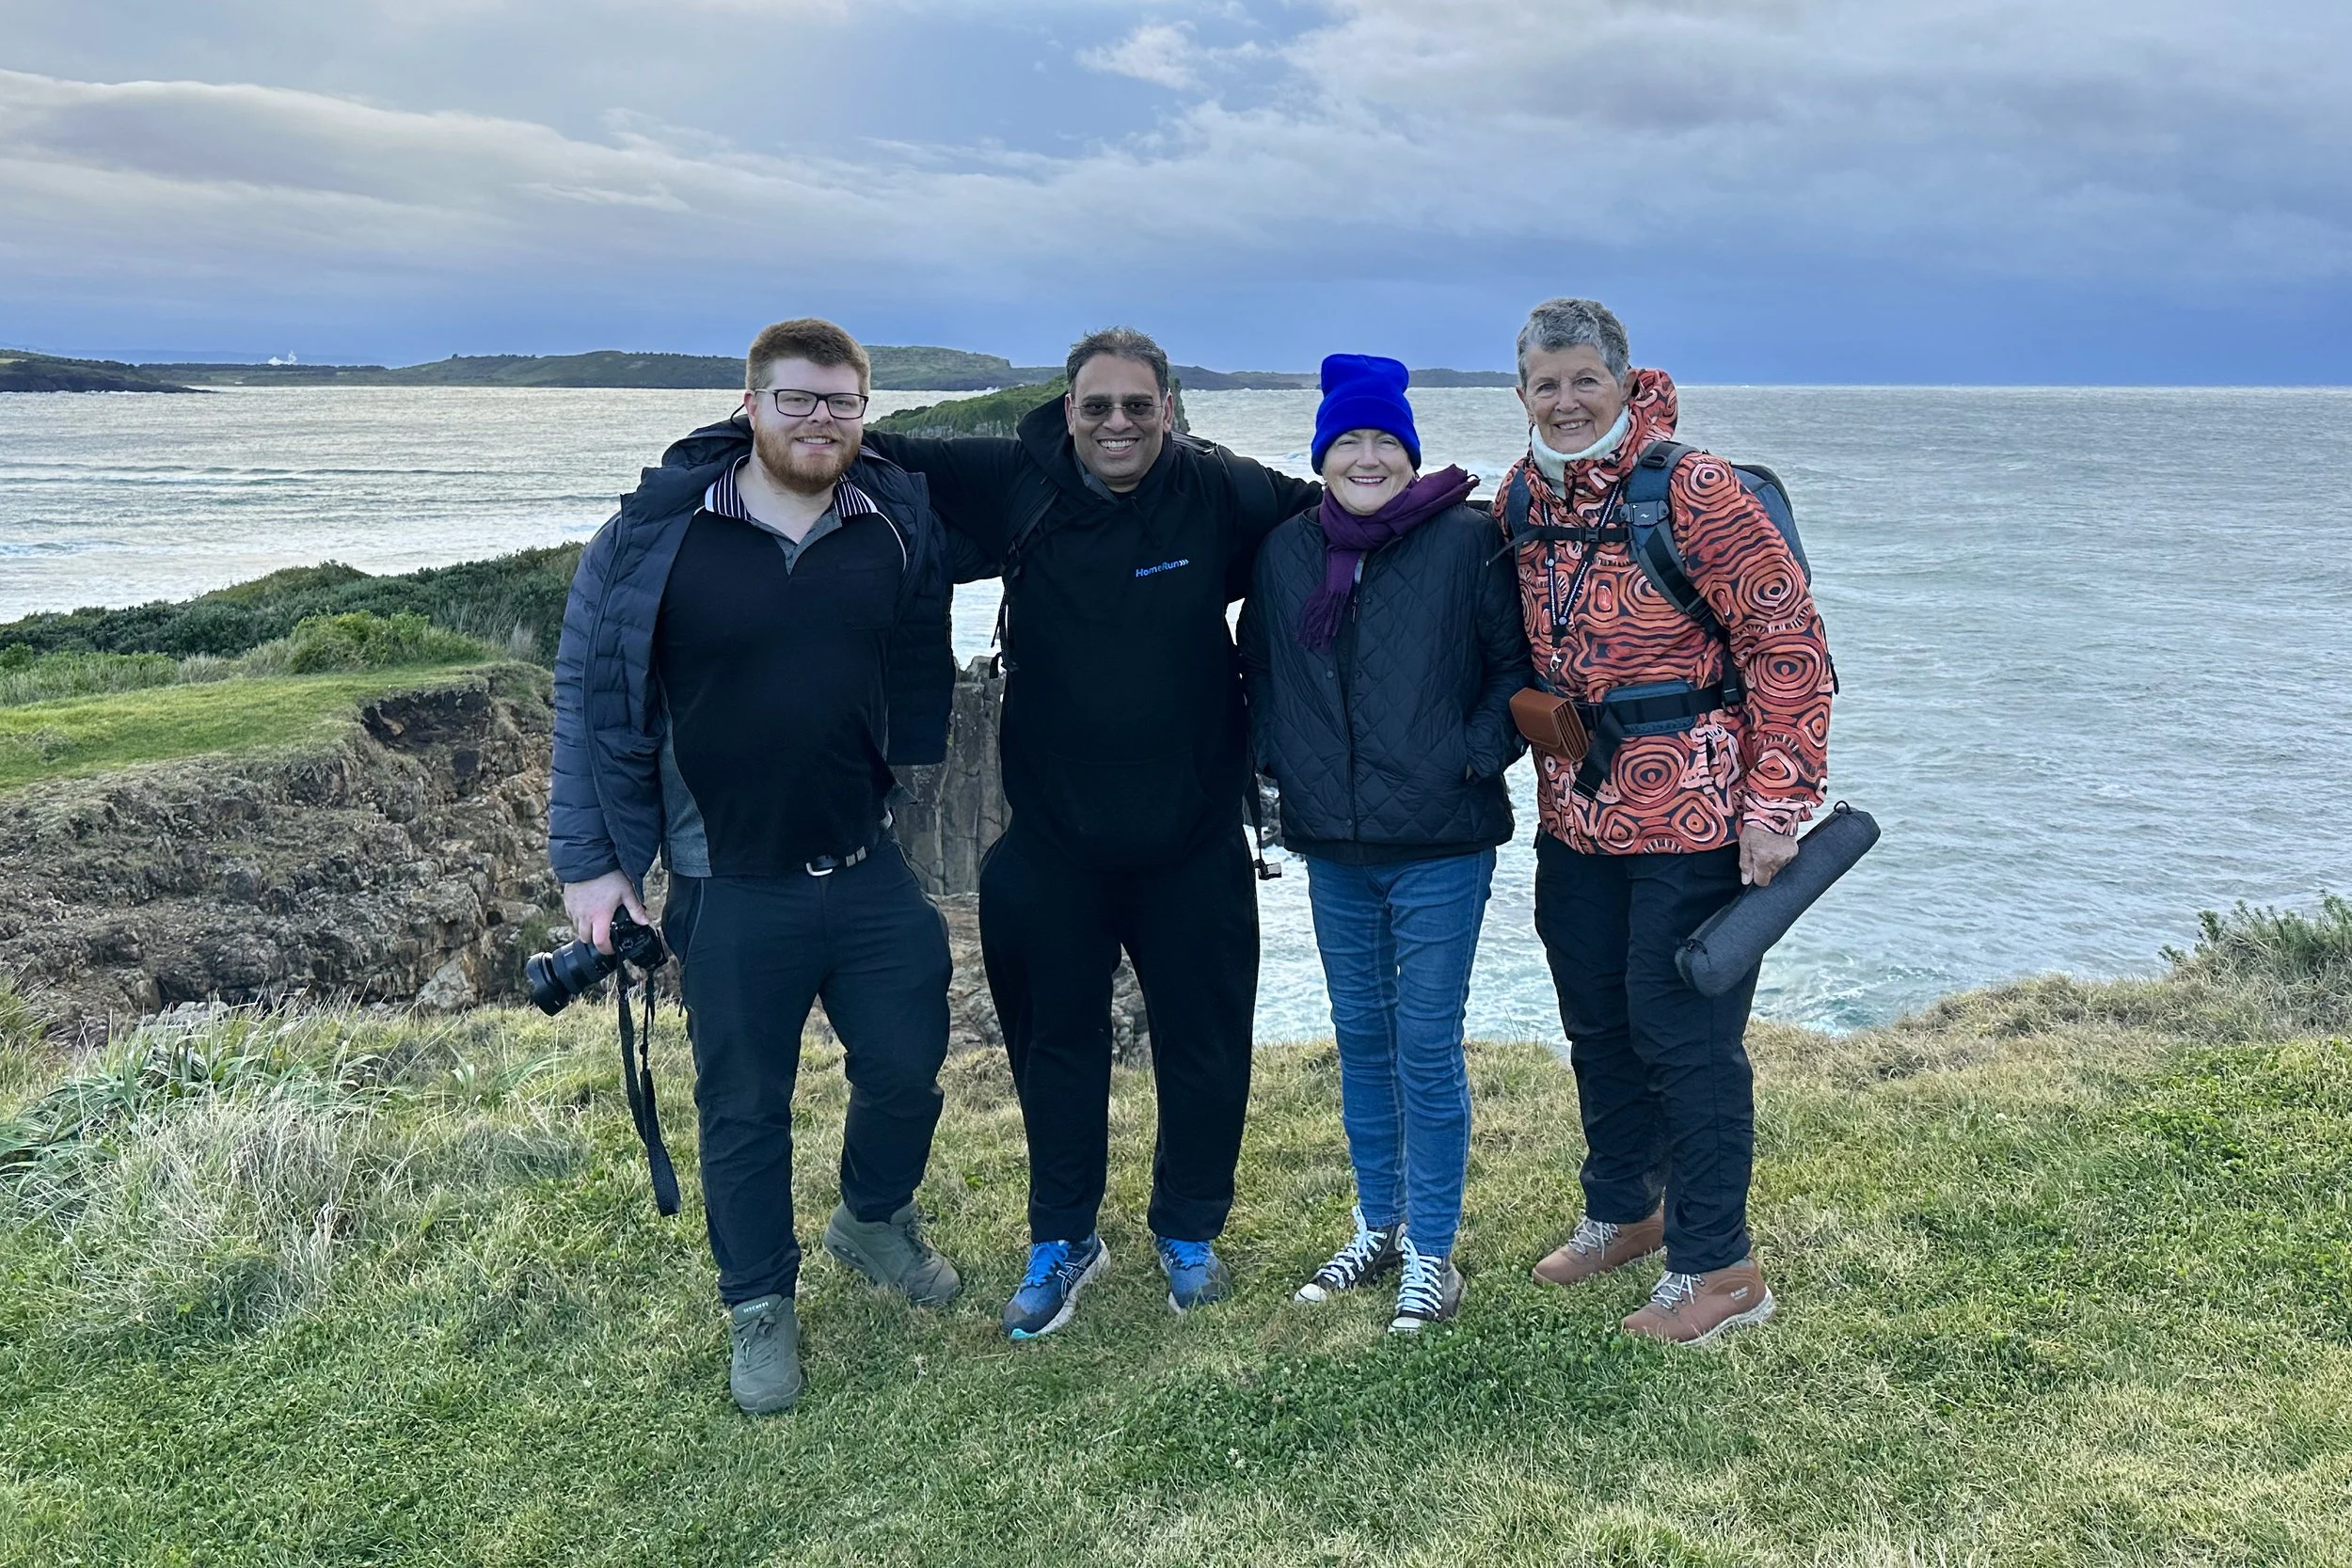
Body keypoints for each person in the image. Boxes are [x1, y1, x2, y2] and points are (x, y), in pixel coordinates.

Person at [859, 328, 1319, 1338]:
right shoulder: (1008, 478)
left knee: (1205, 1049)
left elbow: (1346, 511)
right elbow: (858, 446)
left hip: (1192, 838)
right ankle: (1062, 1235)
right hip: (1052, 840)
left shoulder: (1219, 491)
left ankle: (1188, 1230)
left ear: (1168, 409)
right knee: (1052, 1049)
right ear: (1066, 409)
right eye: (1097, 405)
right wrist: (740, 432)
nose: (1117, 423)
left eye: (1137, 406)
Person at [549, 318, 965, 1415]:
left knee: (908, 1060)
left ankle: (871, 1217)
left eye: (841, 402)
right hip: (725, 876)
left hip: (866, 863)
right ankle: (757, 1304)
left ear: (863, 412)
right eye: (797, 400)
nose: (820, 420)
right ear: (751, 406)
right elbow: (586, 703)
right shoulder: (652, 536)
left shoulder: (893, 519)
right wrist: (593, 867)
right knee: (742, 1105)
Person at [1503, 298, 1834, 1346]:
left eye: (1582, 381)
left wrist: (1777, 806)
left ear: (1622, 379)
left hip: (1698, 814)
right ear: (1522, 394)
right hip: (1576, 816)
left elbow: (1788, 648)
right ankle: (1626, 1207)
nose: (1564, 402)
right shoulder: (1521, 494)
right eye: (1544, 384)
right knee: (1596, 1023)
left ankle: (1718, 1264)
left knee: (1685, 1040)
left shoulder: (1695, 486)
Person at [1237, 355, 1529, 1333]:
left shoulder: (1466, 539)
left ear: (1410, 451)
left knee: (1424, 1040)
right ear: (1322, 454)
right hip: (1334, 838)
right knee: (1361, 1037)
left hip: (1442, 838)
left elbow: (1513, 670)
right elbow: (1262, 672)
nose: (1366, 456)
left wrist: (1469, 756)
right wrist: (1279, 761)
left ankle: (1433, 1251)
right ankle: (1381, 1222)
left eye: (1384, 441)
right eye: (1347, 441)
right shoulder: (1284, 551)